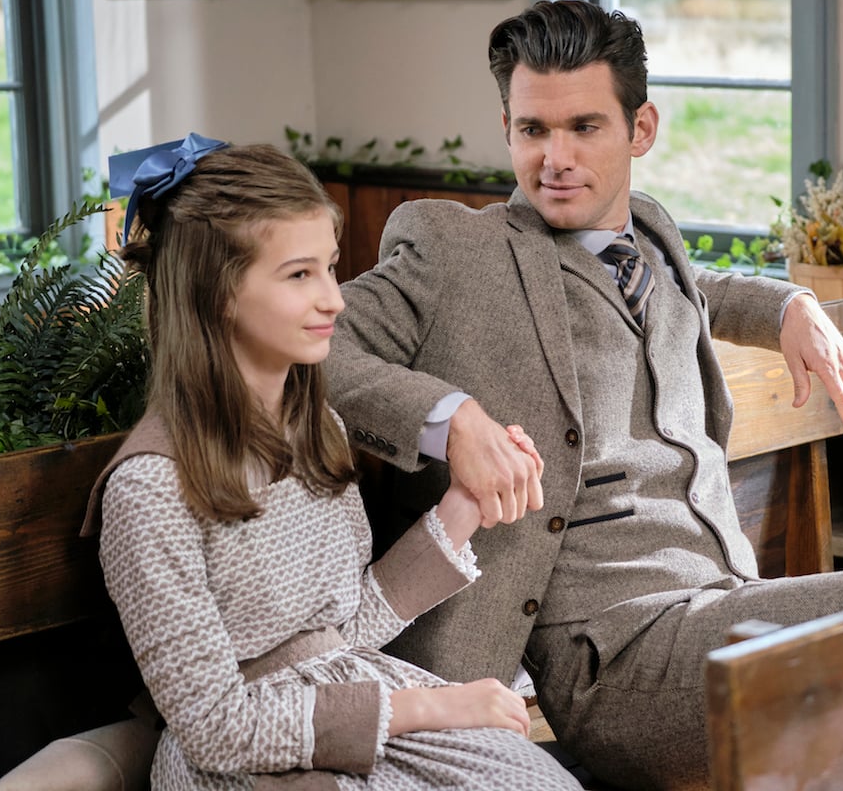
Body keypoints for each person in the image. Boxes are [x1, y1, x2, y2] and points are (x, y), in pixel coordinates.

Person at [326, 1, 843, 790]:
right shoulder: (454, 252)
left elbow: (689, 289)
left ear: (641, 129)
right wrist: (449, 420)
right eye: (533, 130)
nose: (555, 158)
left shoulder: (650, 233)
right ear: (507, 129)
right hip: (614, 659)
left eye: (584, 127)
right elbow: (312, 348)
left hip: (723, 607)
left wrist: (786, 306)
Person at [82, 134, 583, 790]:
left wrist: (463, 508)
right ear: (216, 292)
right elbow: (216, 729)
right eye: (300, 275)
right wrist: (429, 706)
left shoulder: (317, 427)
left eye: (330, 267)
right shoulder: (149, 488)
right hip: (253, 761)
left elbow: (343, 633)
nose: (335, 299)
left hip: (361, 705)